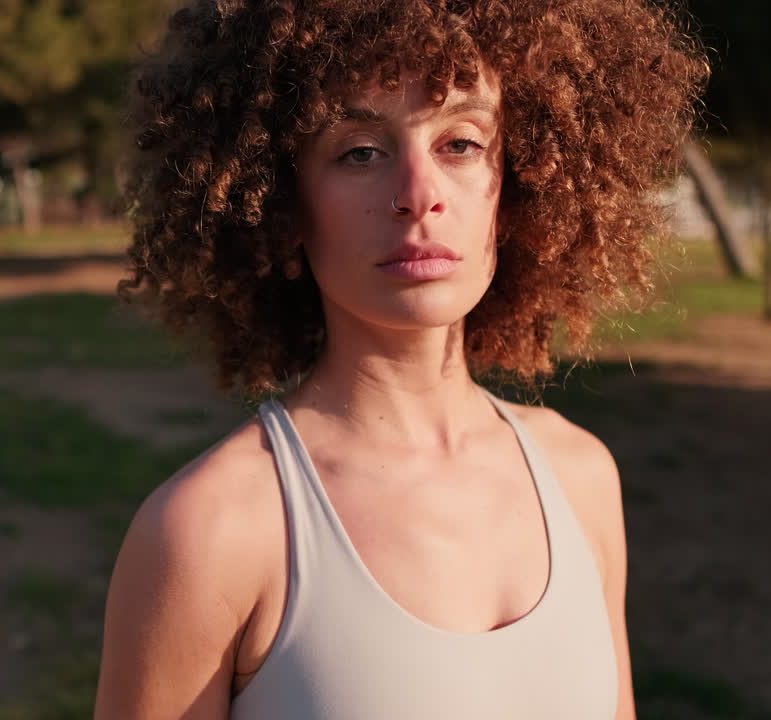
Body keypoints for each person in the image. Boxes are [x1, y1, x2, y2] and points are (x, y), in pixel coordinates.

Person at [96, 0, 707, 717]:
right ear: (283, 207)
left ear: (518, 187)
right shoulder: (213, 531)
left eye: (461, 144)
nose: (419, 196)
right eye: (359, 151)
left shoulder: (582, 479)